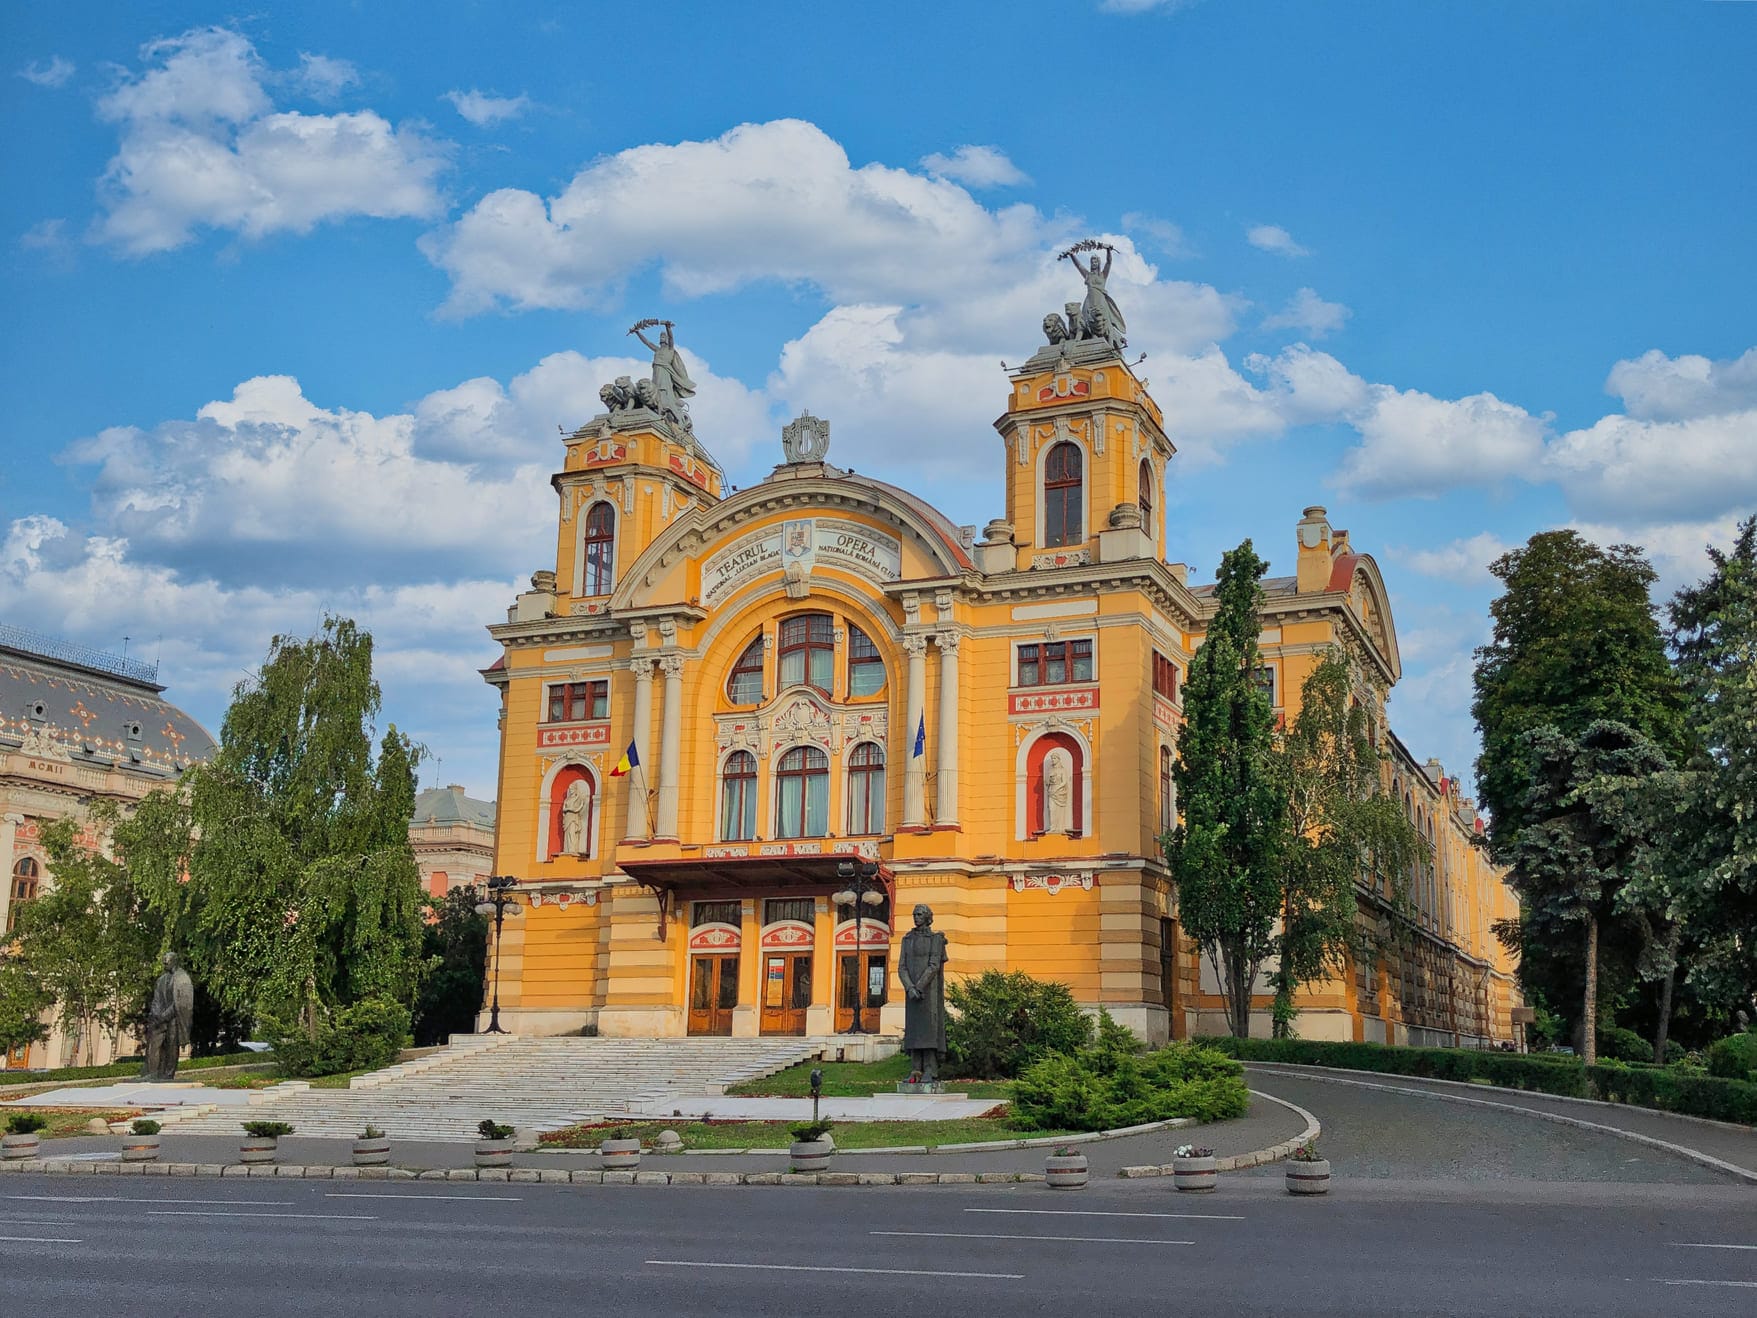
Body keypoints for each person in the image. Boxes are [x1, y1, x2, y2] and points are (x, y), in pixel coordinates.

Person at [897, 904, 948, 1083]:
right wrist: (909, 987)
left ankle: (930, 1070)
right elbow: (901, 967)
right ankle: (915, 1070)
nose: (916, 917)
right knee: (914, 1031)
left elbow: (934, 965)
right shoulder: (907, 939)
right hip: (911, 993)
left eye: (919, 914)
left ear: (927, 917)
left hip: (929, 992)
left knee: (928, 1031)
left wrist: (918, 987)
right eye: (914, 914)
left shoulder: (935, 939)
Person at [630, 321, 697, 424]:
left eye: (663, 337)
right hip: (656, 371)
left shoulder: (670, 349)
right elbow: (647, 343)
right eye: (661, 337)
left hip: (665, 372)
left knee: (663, 388)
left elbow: (671, 338)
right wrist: (637, 333)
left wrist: (668, 327)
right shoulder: (657, 350)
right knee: (655, 387)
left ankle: (666, 405)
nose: (662, 338)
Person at [142, 952, 195, 1082]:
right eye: (164, 961)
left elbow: (182, 1002)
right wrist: (155, 1015)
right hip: (160, 1018)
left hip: (175, 1018)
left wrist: (164, 1016)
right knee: (154, 1042)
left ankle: (168, 1074)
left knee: (171, 1046)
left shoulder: (183, 978)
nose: (165, 963)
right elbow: (157, 999)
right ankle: (152, 1072)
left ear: (174, 961)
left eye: (167, 961)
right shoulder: (161, 980)